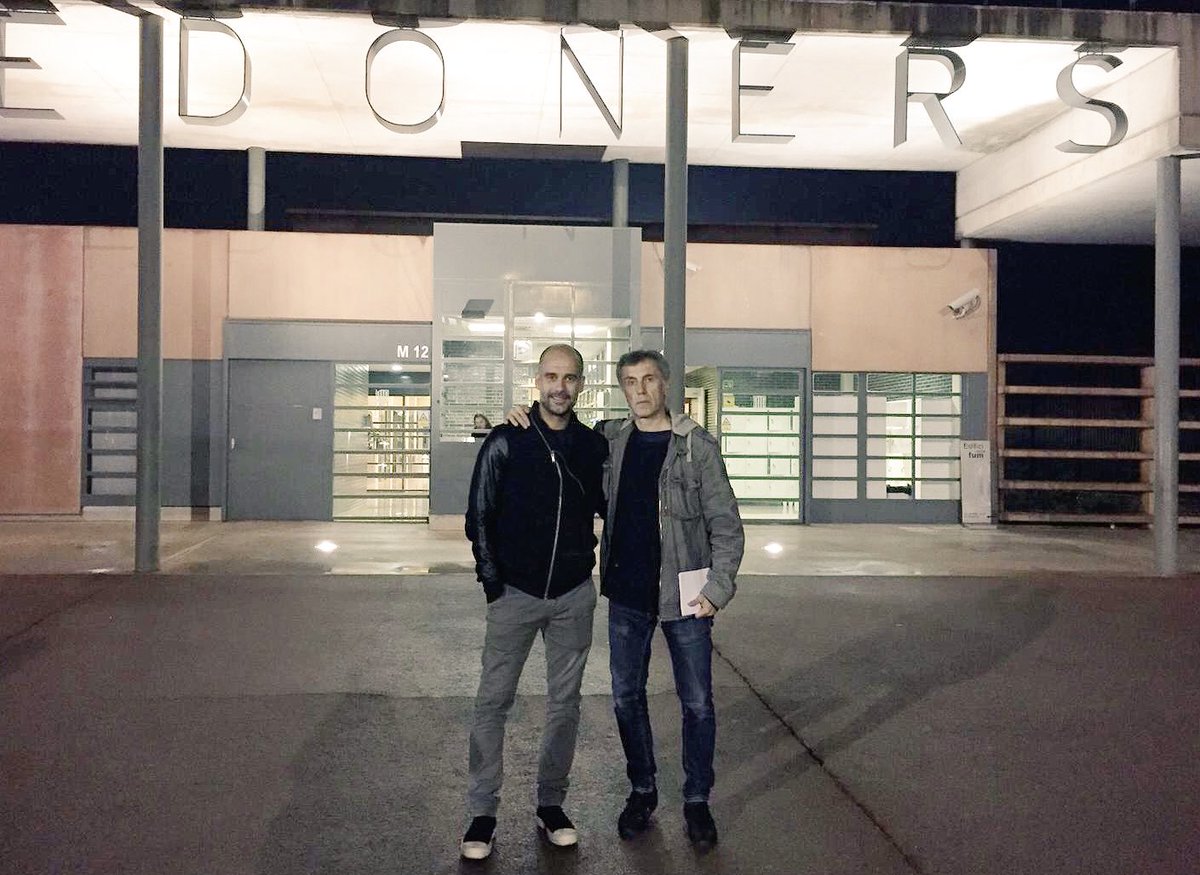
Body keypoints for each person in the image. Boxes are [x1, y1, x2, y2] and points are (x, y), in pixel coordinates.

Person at [506, 349, 744, 851]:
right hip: (627, 597)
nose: (640, 390)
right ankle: (643, 791)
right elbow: (559, 432)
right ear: (622, 388)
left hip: (686, 596)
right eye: (630, 382)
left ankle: (697, 800)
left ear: (666, 385)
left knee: (697, 703)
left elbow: (725, 523)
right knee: (625, 697)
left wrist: (717, 588)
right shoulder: (612, 439)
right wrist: (523, 418)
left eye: (649, 380)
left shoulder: (696, 448)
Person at [459, 344, 608, 861]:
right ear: (536, 380)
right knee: (492, 702)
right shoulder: (508, 439)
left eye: (569, 378)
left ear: (582, 385)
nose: (559, 386)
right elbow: (478, 513)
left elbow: (614, 505)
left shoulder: (593, 447)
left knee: (564, 705)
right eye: (550, 376)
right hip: (515, 595)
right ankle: (482, 814)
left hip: (572, 595)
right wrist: (493, 584)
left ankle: (551, 806)